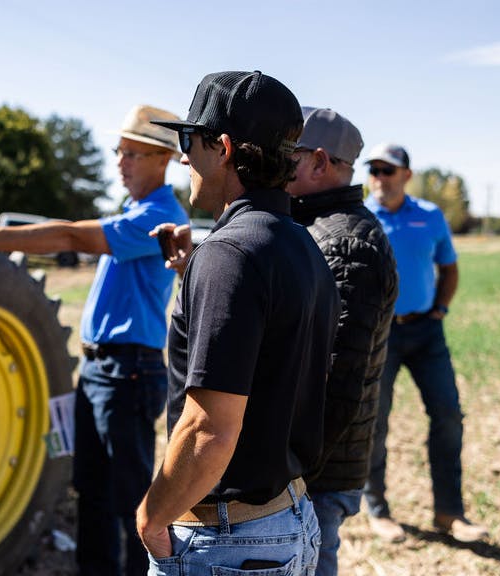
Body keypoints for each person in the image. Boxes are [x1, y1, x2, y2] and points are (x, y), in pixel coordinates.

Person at [0, 104, 189, 576]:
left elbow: (71, 235)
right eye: (118, 151)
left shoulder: (159, 216)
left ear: (162, 159)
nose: (120, 162)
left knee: (128, 500)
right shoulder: (133, 211)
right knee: (90, 488)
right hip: (100, 369)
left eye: (132, 153)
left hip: (128, 371)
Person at [134, 71, 340, 576]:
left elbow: (208, 430)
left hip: (230, 541)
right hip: (289, 518)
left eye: (189, 140)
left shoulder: (230, 253)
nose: (183, 157)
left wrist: (151, 518)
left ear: (222, 147)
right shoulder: (301, 245)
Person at [285, 108, 398, 576]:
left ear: (317, 162)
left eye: (284, 155)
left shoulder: (349, 243)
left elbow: (339, 382)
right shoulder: (321, 228)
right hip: (310, 468)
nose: (275, 165)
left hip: (317, 476)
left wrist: (293, 470)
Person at [362, 142, 489, 543]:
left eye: (388, 170)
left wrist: (441, 309)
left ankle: (450, 512)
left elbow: (449, 268)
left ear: (406, 175)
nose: (380, 178)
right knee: (375, 423)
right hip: (379, 334)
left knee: (448, 415)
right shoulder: (362, 215)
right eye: (374, 170)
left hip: (426, 333)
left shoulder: (430, 216)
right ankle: (378, 510)